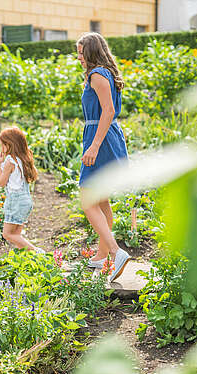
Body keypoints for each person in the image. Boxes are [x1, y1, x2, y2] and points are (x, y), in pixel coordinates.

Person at [76, 32, 131, 281]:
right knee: (101, 201)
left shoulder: (97, 74)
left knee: (88, 199)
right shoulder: (104, 73)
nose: (78, 57)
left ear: (90, 52)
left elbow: (108, 111)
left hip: (102, 138)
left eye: (80, 52)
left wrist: (95, 145)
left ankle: (116, 251)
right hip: (105, 135)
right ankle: (101, 256)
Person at [0, 127, 42, 252]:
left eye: (2, 145)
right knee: (16, 235)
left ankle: (37, 253)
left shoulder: (10, 161)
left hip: (15, 201)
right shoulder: (24, 159)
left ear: (9, 144)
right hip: (25, 201)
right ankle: (27, 259)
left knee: (7, 234)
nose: (1, 148)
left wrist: (0, 164)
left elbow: (1, 182)